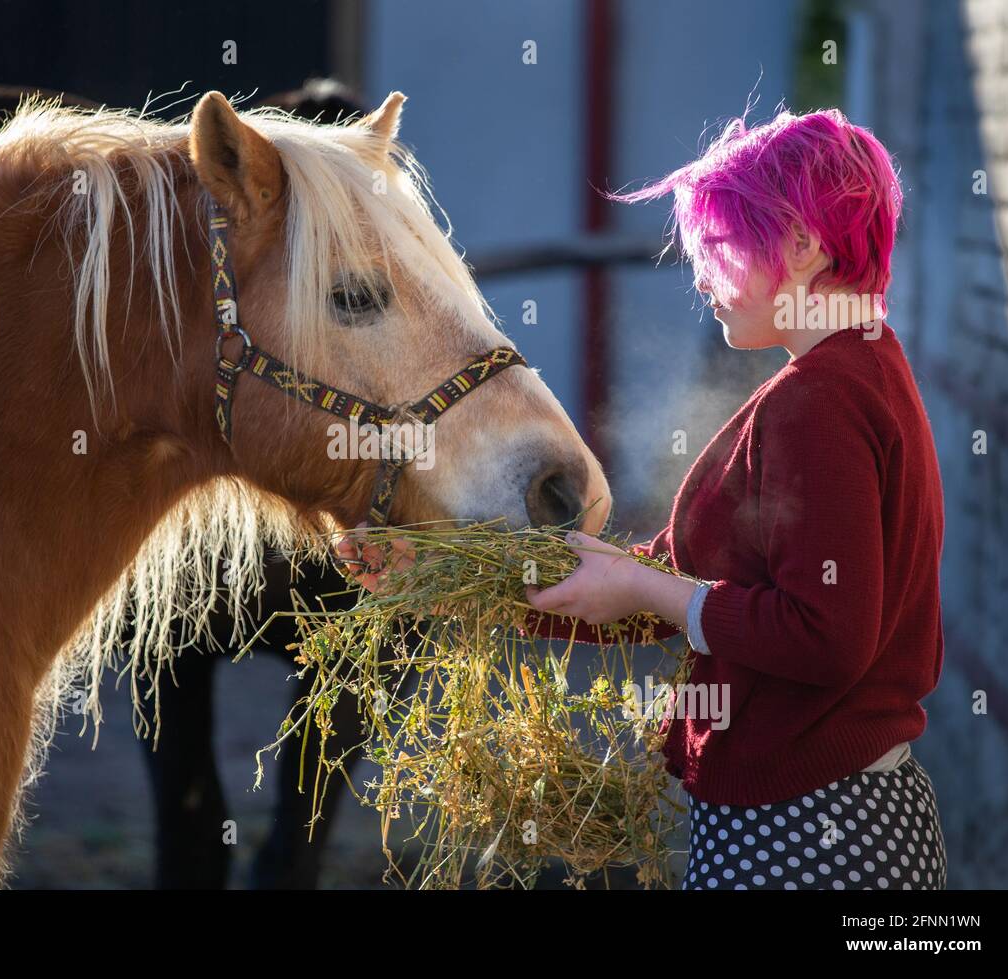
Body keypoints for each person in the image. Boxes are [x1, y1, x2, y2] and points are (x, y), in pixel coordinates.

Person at [339, 108, 947, 891]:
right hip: (847, 815)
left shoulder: (818, 401)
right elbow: (671, 587)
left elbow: (825, 636)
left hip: (807, 832)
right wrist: (450, 577)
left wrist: (647, 586)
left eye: (722, 246)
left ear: (802, 246)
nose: (702, 275)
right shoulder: (867, 370)